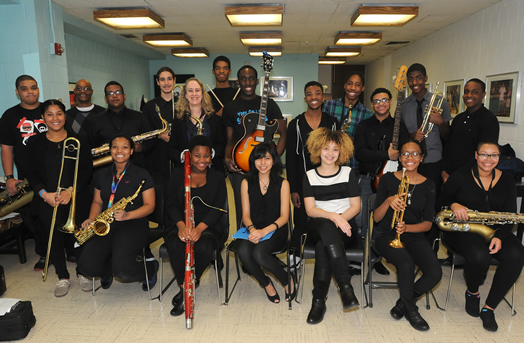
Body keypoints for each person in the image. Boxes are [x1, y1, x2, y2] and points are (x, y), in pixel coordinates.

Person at [439, 140, 524, 332]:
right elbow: (441, 202)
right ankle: (473, 292)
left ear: (499, 158)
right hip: (462, 229)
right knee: (479, 256)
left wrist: (500, 237)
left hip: (495, 230)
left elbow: (510, 215)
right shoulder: (460, 176)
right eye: (484, 154)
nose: (488, 159)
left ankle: (489, 308)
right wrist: (454, 205)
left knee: (516, 254)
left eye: (493, 155)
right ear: (476, 155)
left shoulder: (507, 181)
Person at [26, 99, 93, 297]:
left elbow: (86, 170)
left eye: (59, 114)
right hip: (48, 199)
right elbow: (31, 172)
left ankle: (83, 273)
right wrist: (43, 194)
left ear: (65, 116)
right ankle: (62, 276)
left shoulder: (78, 139)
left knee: (79, 237)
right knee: (53, 238)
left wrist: (71, 190)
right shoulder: (35, 143)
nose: (55, 118)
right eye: (50, 114)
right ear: (43, 117)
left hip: (76, 197)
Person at [373, 139, 441, 331]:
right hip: (387, 235)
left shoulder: (429, 185)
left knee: (435, 273)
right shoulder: (387, 179)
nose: (410, 157)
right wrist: (388, 200)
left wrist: (408, 228)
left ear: (422, 157)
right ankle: (412, 311)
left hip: (413, 234)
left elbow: (428, 223)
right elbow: (377, 218)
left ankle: (403, 302)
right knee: (406, 264)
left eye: (415, 154)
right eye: (405, 154)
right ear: (399, 157)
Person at [77, 134, 158, 292]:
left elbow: (150, 206)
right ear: (110, 150)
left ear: (132, 151)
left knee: (123, 270)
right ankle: (108, 269)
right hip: (106, 224)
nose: (119, 150)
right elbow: (97, 201)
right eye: (115, 147)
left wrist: (128, 215)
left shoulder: (142, 174)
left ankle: (149, 268)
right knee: (86, 267)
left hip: (134, 224)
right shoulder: (102, 174)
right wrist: (91, 219)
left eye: (125, 147)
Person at [164, 135, 228, 316]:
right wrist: (182, 227)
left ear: (211, 157)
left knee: (204, 246)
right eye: (197, 156)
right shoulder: (177, 175)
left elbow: (217, 209)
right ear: (189, 156)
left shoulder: (217, 177)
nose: (202, 160)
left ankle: (186, 289)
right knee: (176, 244)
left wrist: (199, 229)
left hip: (208, 226)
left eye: (206, 156)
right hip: (180, 223)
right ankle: (186, 288)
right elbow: (171, 205)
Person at [302, 128, 361, 325]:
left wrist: (341, 219)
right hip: (318, 224)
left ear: (341, 152)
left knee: (322, 247)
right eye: (326, 148)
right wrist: (335, 217)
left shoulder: (348, 173)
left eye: (335, 150)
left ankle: (318, 300)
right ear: (317, 150)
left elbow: (356, 206)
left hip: (345, 228)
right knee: (326, 228)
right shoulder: (309, 176)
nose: (330, 153)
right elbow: (310, 210)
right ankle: (345, 287)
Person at [223, 65, 287, 230]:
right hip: (241, 167)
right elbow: (229, 139)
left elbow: (283, 134)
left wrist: (274, 159)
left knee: (270, 206)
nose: (248, 82)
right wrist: (228, 159)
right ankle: (243, 245)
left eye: (251, 78)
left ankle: (268, 241)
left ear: (257, 81)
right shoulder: (230, 107)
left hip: (267, 169)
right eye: (243, 79)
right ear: (238, 82)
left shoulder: (270, 105)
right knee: (241, 209)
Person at [354, 87, 410, 275]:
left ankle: (376, 258)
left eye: (384, 100)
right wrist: (385, 154)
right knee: (360, 220)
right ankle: (360, 257)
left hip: (390, 182)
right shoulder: (363, 125)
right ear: (372, 105)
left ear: (391, 102)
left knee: (383, 222)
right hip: (366, 178)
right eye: (377, 101)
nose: (381, 104)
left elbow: (407, 153)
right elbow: (360, 153)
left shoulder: (399, 126)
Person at [0, 75, 48, 271]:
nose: (30, 91)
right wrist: (9, 177)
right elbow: (6, 148)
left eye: (34, 87)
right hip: (27, 177)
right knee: (33, 217)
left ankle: (68, 250)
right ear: (17, 92)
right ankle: (45, 254)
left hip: (54, 172)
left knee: (60, 212)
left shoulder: (49, 110)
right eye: (25, 88)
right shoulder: (10, 116)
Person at [235, 143, 293, 304]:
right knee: (243, 251)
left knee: (259, 254)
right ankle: (265, 283)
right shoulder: (246, 182)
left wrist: (263, 232)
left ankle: (287, 279)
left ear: (274, 160)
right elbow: (245, 215)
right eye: (259, 158)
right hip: (252, 229)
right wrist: (254, 230)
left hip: (276, 230)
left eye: (267, 158)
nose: (262, 162)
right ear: (253, 161)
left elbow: (284, 217)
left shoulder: (283, 184)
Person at [286, 81, 339, 255]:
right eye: (309, 94)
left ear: (323, 98)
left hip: (327, 182)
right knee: (301, 220)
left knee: (326, 218)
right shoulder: (295, 124)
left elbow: (338, 155)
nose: (313, 97)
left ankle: (326, 252)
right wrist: (293, 189)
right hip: (303, 182)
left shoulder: (332, 123)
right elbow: (292, 158)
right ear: (305, 98)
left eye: (317, 93)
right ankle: (295, 256)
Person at [400, 63, 451, 195]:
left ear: (426, 78)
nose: (415, 82)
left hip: (433, 160)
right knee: (410, 196)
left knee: (432, 197)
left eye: (419, 78)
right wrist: (412, 136)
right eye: (410, 79)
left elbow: (447, 135)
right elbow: (400, 135)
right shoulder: (403, 105)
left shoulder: (440, 101)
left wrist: (440, 122)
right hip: (410, 160)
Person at [442, 79, 499, 183]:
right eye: (466, 91)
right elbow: (449, 147)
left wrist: (460, 175)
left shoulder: (489, 120)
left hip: (473, 178)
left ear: (483, 95)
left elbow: (484, 154)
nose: (469, 95)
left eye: (475, 92)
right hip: (451, 176)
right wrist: (444, 170)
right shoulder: (458, 119)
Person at [84, 81, 152, 167]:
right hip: (106, 171)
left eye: (118, 92)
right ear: (105, 99)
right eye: (110, 93)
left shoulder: (139, 117)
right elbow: (90, 146)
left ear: (124, 97)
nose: (114, 96)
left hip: (136, 170)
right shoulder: (96, 121)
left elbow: (152, 143)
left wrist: (141, 147)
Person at [168, 77, 226, 172]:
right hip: (186, 172)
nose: (194, 94)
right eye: (190, 91)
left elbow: (223, 146)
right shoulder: (178, 121)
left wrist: (210, 153)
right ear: (185, 95)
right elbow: (171, 149)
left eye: (197, 90)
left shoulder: (215, 120)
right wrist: (183, 156)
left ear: (203, 94)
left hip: (212, 172)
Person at [322, 71, 373, 170]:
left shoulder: (367, 113)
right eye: (350, 83)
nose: (353, 88)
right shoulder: (329, 105)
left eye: (357, 85)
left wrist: (355, 140)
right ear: (345, 86)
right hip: (328, 161)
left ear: (363, 88)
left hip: (352, 164)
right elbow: (321, 132)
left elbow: (367, 143)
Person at [142, 67, 177, 187]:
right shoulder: (149, 106)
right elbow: (144, 132)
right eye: (162, 79)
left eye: (169, 79)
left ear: (174, 81)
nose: (166, 83)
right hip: (157, 157)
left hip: (177, 156)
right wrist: (159, 135)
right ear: (157, 82)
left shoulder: (183, 104)